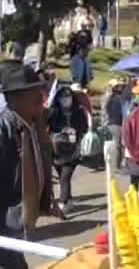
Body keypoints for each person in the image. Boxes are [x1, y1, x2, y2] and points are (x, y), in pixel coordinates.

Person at [0, 60, 56, 268]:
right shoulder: (4, 128)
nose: (41, 97)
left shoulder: (32, 124)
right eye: (34, 92)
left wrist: (46, 197)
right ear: (17, 98)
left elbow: (40, 164)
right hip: (4, 222)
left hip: (18, 223)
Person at [48, 86, 88, 217]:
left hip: (74, 149)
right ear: (58, 99)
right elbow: (46, 127)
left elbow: (84, 127)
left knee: (65, 176)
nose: (66, 100)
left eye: (69, 97)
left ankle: (62, 203)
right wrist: (60, 131)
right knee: (62, 177)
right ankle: (69, 199)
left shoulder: (79, 111)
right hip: (57, 149)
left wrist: (76, 130)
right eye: (63, 98)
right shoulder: (53, 111)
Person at [103, 78, 127, 169]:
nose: (120, 87)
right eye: (118, 86)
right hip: (115, 123)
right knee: (117, 145)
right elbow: (106, 111)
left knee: (117, 144)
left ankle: (116, 163)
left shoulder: (114, 97)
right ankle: (116, 164)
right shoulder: (112, 97)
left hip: (115, 122)